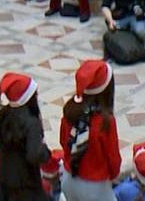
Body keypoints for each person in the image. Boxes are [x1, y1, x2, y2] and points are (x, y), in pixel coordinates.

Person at [60, 60, 122, 201]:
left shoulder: (70, 110)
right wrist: (113, 176)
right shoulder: (106, 122)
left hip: (68, 179)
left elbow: (64, 142)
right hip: (95, 188)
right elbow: (113, 158)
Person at [0, 72, 47, 200]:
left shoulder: (3, 114)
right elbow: (34, 154)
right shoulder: (32, 123)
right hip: (27, 187)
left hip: (4, 182)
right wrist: (45, 152)